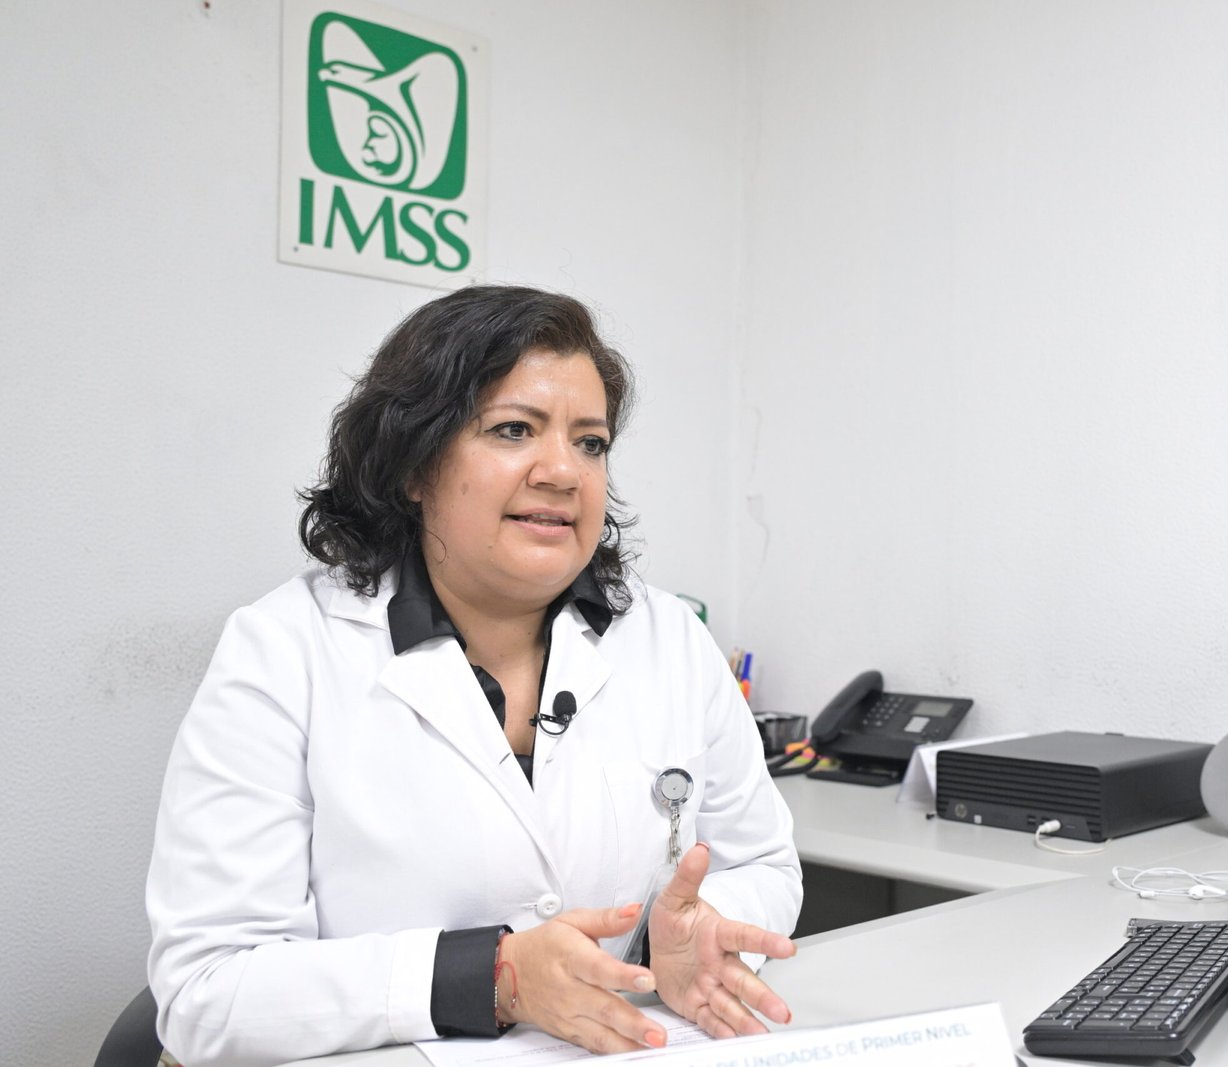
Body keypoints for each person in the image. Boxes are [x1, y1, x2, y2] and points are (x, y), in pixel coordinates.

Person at [146, 286, 802, 1067]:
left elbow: (762, 862)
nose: (563, 471)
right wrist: (492, 978)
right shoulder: (285, 650)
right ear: (414, 464)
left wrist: (693, 934)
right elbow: (209, 990)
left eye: (590, 442)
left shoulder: (670, 639)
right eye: (513, 429)